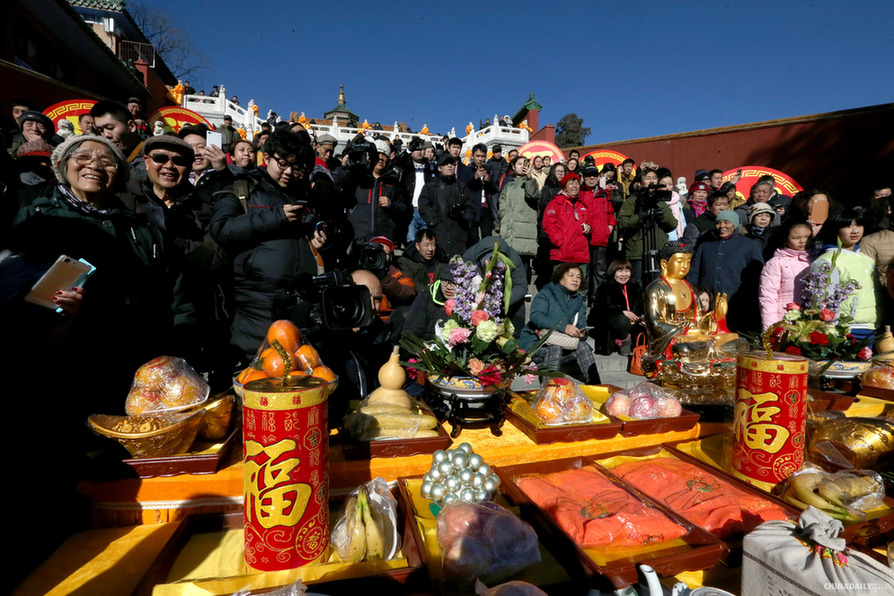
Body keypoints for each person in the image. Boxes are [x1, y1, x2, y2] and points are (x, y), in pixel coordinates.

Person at [4, 134, 195, 409]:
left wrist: (179, 356)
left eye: (107, 162)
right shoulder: (34, 220)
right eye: (82, 157)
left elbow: (178, 298)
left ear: (119, 176)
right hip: (59, 374)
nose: (94, 165)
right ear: (62, 165)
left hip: (136, 375)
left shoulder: (143, 231)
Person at [209, 129, 322, 365]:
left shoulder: (302, 193)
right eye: (283, 163)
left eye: (297, 167)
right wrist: (276, 216)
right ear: (266, 156)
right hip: (255, 305)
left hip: (300, 303)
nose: (289, 172)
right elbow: (222, 229)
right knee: (255, 375)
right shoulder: (243, 187)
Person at [641, 241, 744, 384]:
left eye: (688, 262)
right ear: (664, 264)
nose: (684, 266)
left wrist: (716, 316)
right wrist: (687, 332)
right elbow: (655, 323)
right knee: (685, 349)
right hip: (676, 342)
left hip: (698, 339)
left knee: (739, 343)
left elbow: (699, 319)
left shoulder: (690, 288)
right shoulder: (656, 288)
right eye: (679, 261)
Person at [519, 263, 601, 384]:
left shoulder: (578, 301)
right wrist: (564, 327)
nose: (575, 279)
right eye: (571, 275)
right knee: (555, 348)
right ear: (560, 277)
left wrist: (582, 334)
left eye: (578, 277)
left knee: (583, 347)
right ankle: (548, 391)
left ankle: (597, 386)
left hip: (564, 343)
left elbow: (581, 325)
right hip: (538, 343)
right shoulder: (546, 293)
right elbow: (536, 317)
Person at [686, 210, 765, 332]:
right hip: (709, 304)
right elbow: (694, 274)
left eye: (726, 222)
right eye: (718, 223)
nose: (722, 226)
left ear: (734, 224)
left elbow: (758, 275)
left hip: (738, 304)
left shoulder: (749, 245)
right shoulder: (705, 246)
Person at [811, 209, 877, 340]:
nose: (855, 231)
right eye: (847, 226)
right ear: (835, 230)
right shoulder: (827, 261)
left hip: (870, 327)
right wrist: (831, 329)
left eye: (858, 225)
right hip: (842, 330)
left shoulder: (867, 259)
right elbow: (823, 301)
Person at [617, 167, 678, 285]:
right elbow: (622, 224)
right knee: (637, 285)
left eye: (655, 178)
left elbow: (673, 224)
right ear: (640, 183)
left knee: (658, 284)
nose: (652, 181)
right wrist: (641, 217)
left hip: (658, 250)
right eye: (648, 178)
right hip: (637, 252)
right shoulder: (632, 201)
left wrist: (662, 215)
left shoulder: (660, 200)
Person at [418, 153, 475, 258]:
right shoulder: (431, 186)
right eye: (446, 164)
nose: (449, 166)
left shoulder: (462, 187)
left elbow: (470, 207)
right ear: (439, 168)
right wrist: (434, 222)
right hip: (438, 234)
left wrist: (463, 218)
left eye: (452, 164)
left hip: (459, 234)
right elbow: (423, 205)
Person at [543, 173, 593, 288]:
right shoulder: (556, 203)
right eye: (571, 183)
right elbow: (548, 224)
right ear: (564, 186)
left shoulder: (582, 205)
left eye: (577, 183)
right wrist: (560, 242)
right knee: (560, 288)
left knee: (579, 289)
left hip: (581, 254)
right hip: (562, 254)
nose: (574, 186)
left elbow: (590, 222)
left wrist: (589, 227)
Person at [759, 222, 812, 330]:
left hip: (811, 320)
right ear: (785, 239)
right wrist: (772, 329)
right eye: (796, 238)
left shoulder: (816, 259)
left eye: (807, 237)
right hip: (785, 320)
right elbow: (767, 297)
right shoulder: (776, 262)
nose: (802, 241)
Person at [589, 259, 644, 355]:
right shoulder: (605, 287)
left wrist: (642, 317)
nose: (624, 274)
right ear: (613, 272)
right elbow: (599, 309)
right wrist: (621, 311)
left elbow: (642, 305)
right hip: (613, 323)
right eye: (620, 271)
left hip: (633, 323)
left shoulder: (635, 286)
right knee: (622, 321)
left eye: (627, 270)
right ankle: (624, 340)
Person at [497, 155, 540, 278]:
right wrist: (504, 216)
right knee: (509, 266)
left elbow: (533, 195)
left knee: (523, 263)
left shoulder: (531, 182)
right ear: (513, 167)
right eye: (519, 164)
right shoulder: (508, 186)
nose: (522, 166)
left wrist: (529, 178)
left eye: (525, 164)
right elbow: (501, 202)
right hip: (509, 232)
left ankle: (525, 292)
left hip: (524, 232)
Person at [396, 228, 448, 292]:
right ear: (417, 246)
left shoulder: (441, 261)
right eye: (426, 245)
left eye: (433, 245)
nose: (430, 249)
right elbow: (410, 283)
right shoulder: (406, 262)